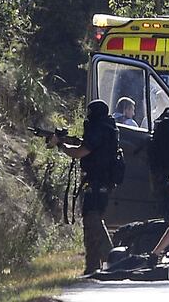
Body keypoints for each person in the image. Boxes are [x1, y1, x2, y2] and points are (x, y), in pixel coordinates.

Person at [48, 99, 118, 275]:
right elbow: (86, 146)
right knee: (94, 221)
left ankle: (110, 261)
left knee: (92, 221)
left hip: (96, 183)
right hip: (101, 182)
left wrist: (61, 145)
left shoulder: (99, 129)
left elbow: (80, 152)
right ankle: (102, 263)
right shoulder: (108, 127)